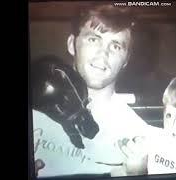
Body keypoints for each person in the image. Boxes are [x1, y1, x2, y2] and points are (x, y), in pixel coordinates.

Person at [32, 5, 160, 177]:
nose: (103, 54)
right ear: (72, 44)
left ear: (126, 60)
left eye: (115, 46)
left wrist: (139, 175)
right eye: (93, 39)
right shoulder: (34, 115)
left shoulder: (140, 137)